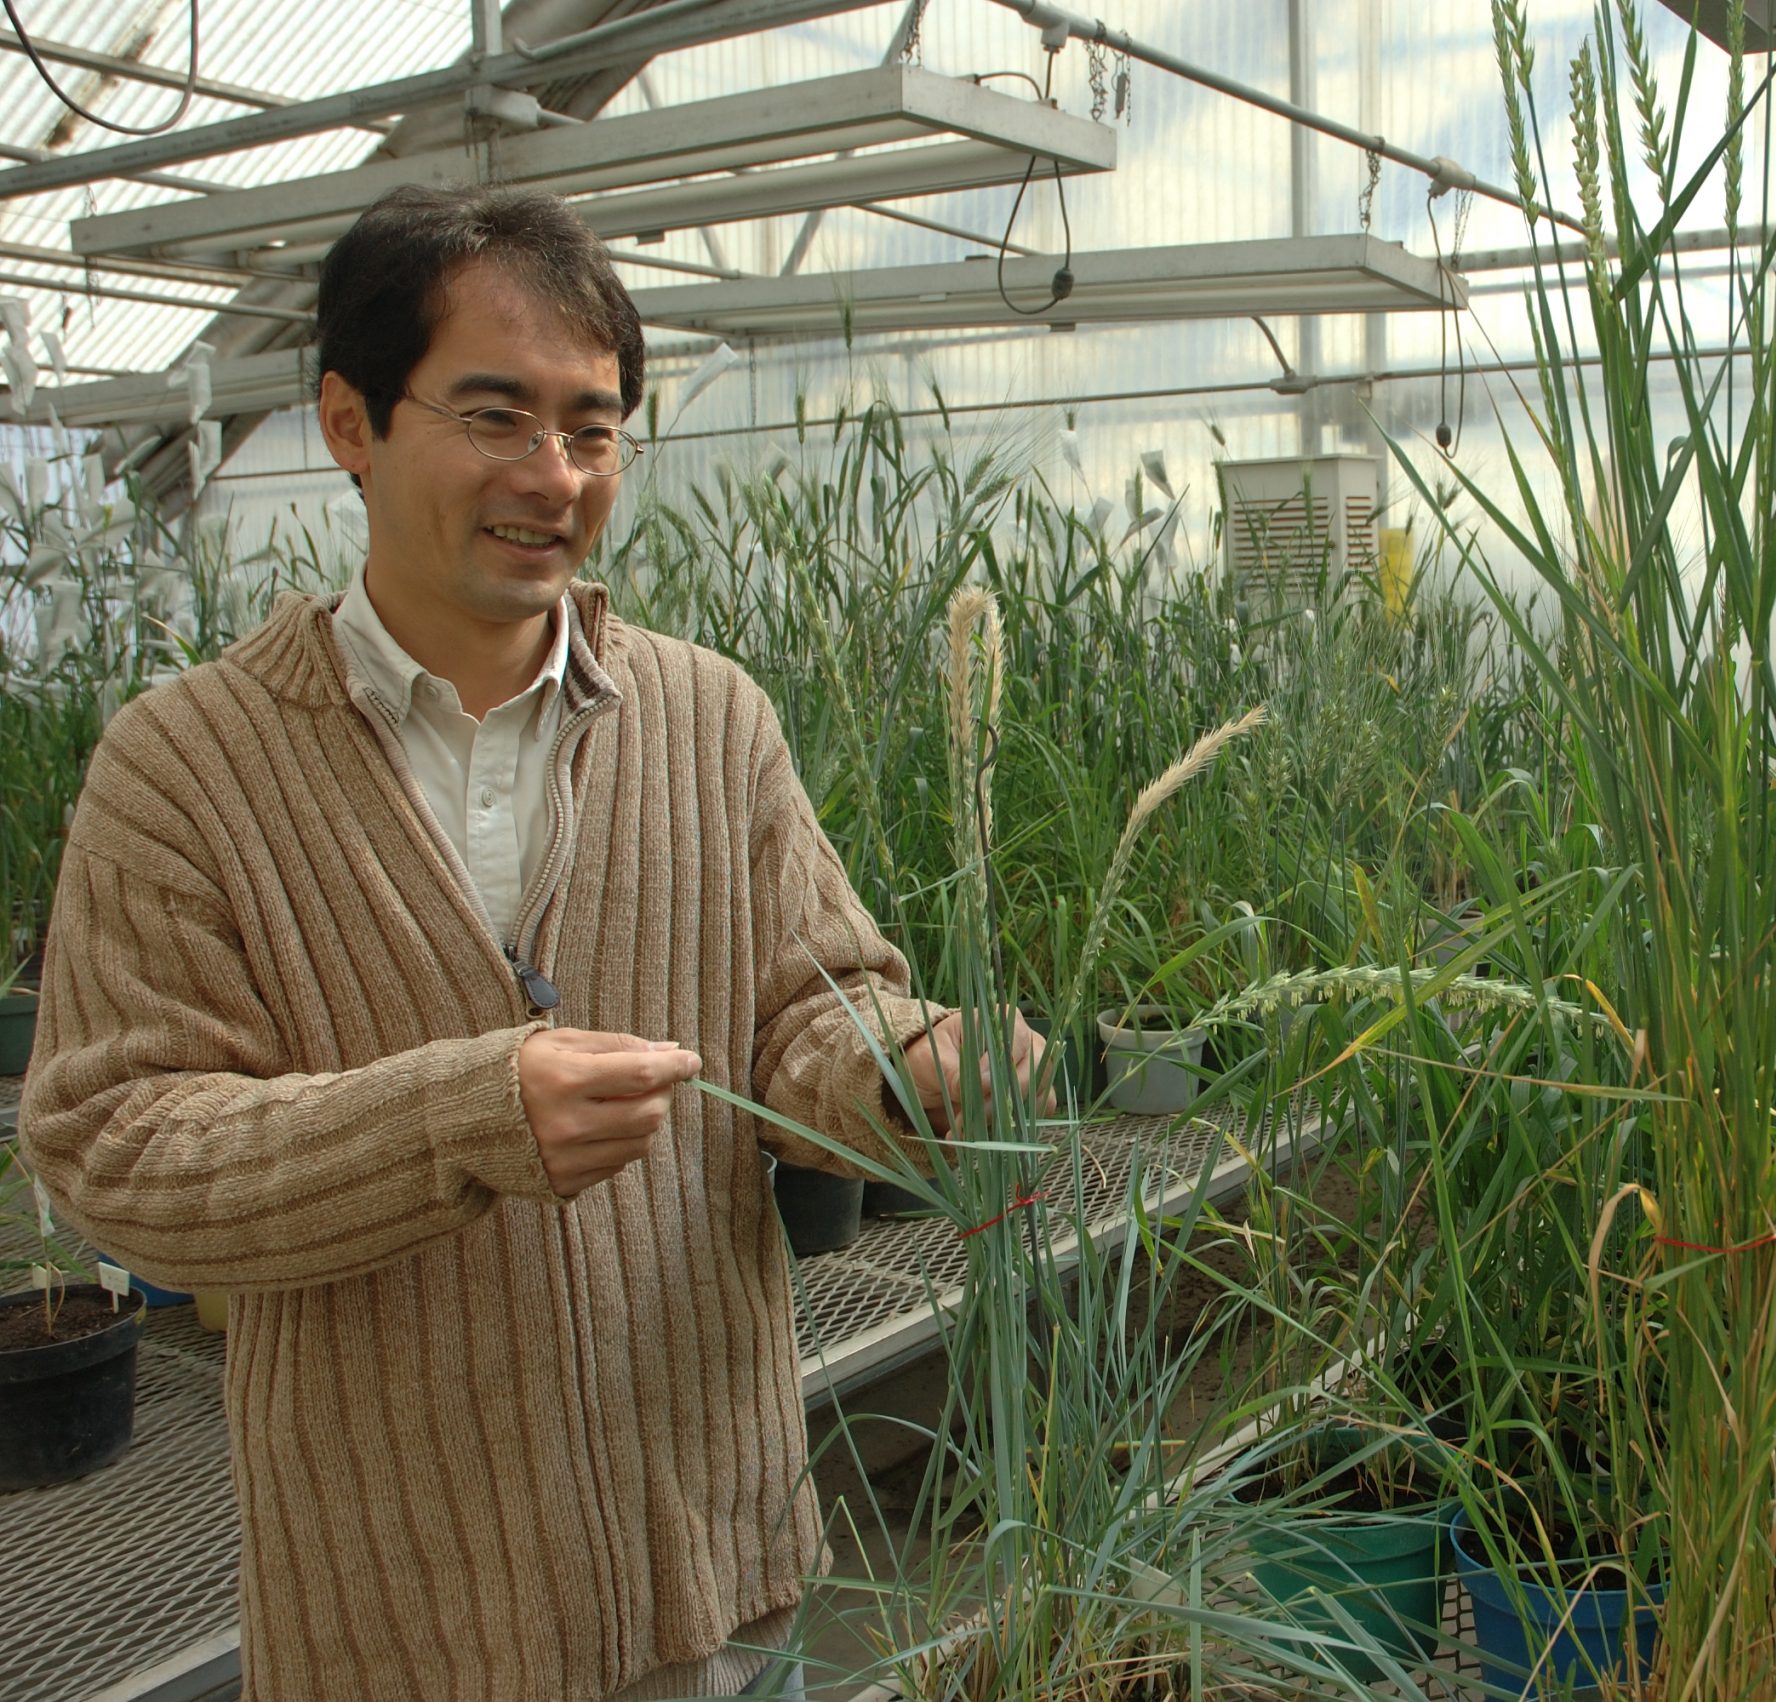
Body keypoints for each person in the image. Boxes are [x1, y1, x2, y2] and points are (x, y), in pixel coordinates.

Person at [20, 183, 1042, 1701]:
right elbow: (116, 1147)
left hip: (703, 1568)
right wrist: (462, 1114)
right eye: (495, 417)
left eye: (593, 428)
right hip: (397, 1615)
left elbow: (807, 1010)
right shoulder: (187, 765)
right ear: (350, 421)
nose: (552, 476)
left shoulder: (709, 718)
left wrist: (913, 1068)